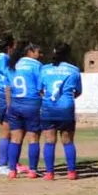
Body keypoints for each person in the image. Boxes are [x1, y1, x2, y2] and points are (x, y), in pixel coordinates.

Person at [38, 43, 83, 180]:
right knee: (68, 141)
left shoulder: (45, 69)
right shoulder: (74, 70)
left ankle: (50, 173)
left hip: (48, 108)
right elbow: (78, 91)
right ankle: (71, 172)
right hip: (66, 109)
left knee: (49, 141)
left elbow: (40, 90)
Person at [4, 42, 42, 179]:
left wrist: (9, 107)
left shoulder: (11, 65)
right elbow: (41, 87)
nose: (40, 54)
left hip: (15, 105)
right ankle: (32, 170)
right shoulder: (36, 66)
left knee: (15, 138)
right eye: (38, 51)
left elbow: (7, 89)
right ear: (30, 52)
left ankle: (12, 170)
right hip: (32, 104)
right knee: (33, 138)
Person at [0, 35, 15, 176]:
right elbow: (9, 80)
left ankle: (11, 162)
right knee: (7, 132)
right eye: (14, 46)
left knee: (12, 132)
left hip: (3, 95)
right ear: (9, 47)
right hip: (6, 96)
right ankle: (2, 165)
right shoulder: (5, 59)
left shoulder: (0, 58)